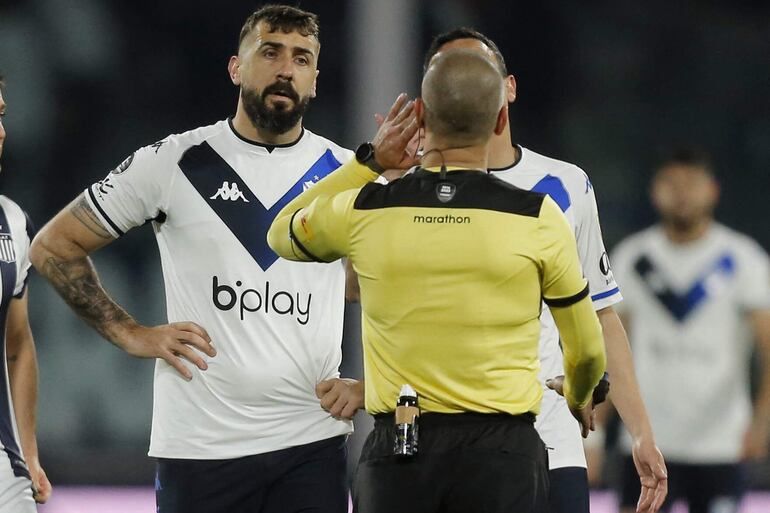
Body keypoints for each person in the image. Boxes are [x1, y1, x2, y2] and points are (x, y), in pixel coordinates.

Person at [29, 6, 361, 513]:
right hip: (200, 449)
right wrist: (130, 332)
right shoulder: (175, 160)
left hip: (310, 443)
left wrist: (371, 385)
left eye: (302, 58)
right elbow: (53, 245)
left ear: (315, 80)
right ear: (236, 68)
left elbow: (393, 287)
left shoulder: (346, 174)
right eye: (269, 52)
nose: (285, 69)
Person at [267, 49, 607, 513]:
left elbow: (281, 229)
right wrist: (580, 394)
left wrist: (369, 163)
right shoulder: (539, 217)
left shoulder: (369, 208)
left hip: (400, 452)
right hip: (504, 455)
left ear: (422, 116)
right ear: (501, 118)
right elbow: (587, 351)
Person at [344, 28, 668, 513]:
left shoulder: (564, 185)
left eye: (478, 72)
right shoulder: (403, 189)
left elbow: (601, 317)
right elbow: (359, 291)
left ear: (507, 88)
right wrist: (384, 178)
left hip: (547, 436)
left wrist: (640, 433)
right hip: (430, 441)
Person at [611, 148, 770, 513]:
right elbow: (609, 348)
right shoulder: (632, 258)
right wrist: (597, 432)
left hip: (720, 442)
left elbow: (767, 345)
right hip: (644, 441)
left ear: (713, 190)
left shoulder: (743, 258)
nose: (682, 193)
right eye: (671, 183)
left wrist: (762, 421)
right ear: (654, 191)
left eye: (692, 184)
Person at [0, 74, 52, 511]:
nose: (2, 131)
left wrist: (28, 452)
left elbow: (17, 344)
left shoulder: (13, 223)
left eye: (1, 115)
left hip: (3, 470)